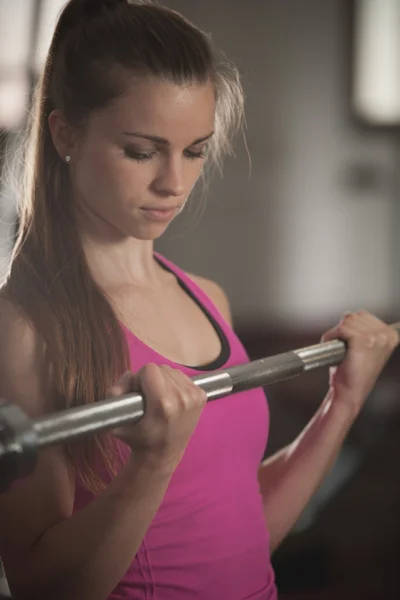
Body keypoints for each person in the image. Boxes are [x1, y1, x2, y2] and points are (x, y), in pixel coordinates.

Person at [0, 1, 398, 599]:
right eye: (141, 151)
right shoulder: (24, 328)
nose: (174, 183)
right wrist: (151, 463)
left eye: (195, 151)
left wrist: (343, 401)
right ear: (65, 134)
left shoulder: (207, 299)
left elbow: (243, 532)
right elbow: (44, 588)